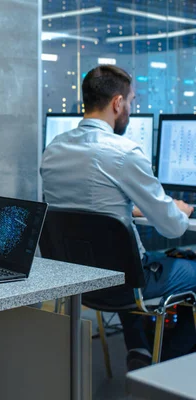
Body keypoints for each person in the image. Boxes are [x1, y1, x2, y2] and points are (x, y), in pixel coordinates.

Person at [41, 65, 196, 370]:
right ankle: (164, 364)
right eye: (131, 101)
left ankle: (138, 347)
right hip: (125, 283)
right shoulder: (124, 153)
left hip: (80, 283)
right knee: (155, 262)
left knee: (131, 258)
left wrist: (128, 207)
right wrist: (184, 209)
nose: (130, 108)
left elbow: (89, 210)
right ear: (117, 103)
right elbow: (172, 226)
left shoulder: (53, 150)